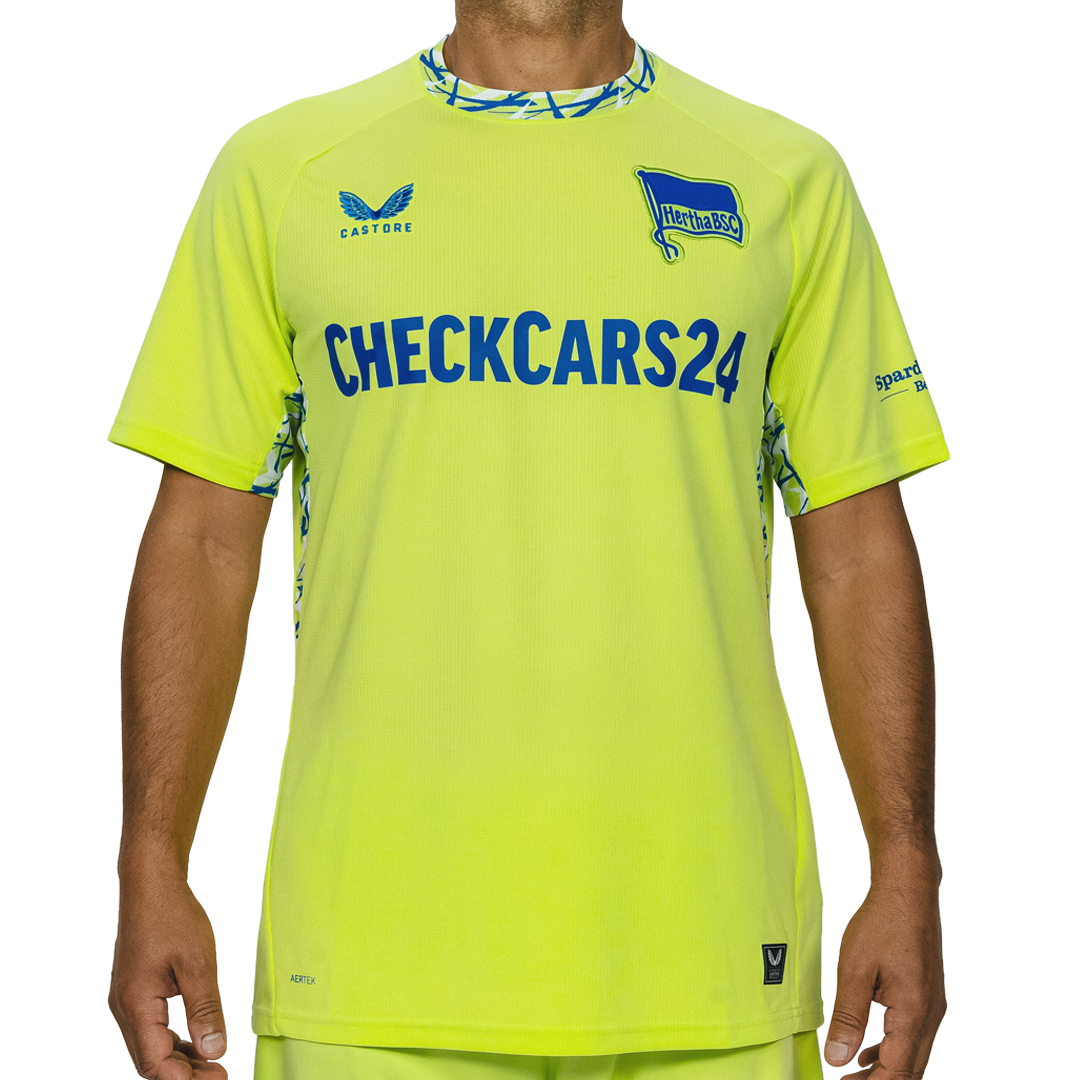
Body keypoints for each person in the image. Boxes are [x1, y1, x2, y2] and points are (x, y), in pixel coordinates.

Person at [107, 1, 949, 1078]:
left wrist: (907, 868)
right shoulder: (282, 176)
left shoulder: (786, 181)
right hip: (370, 975)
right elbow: (204, 545)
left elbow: (858, 550)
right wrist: (150, 863)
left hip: (707, 967)